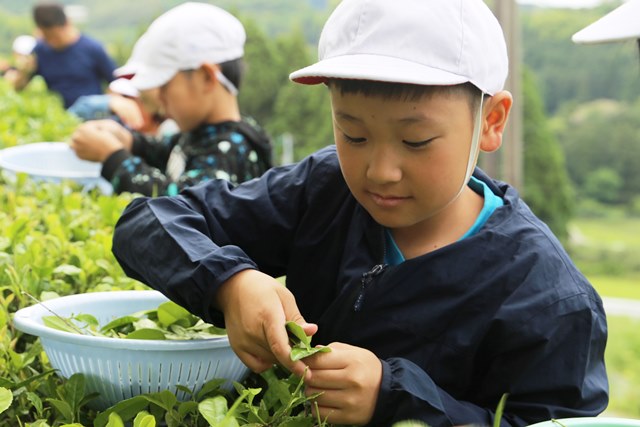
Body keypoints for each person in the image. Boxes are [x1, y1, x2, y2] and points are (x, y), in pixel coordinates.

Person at [111, 0, 609, 425]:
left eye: (416, 140)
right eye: (353, 134)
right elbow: (148, 222)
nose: (380, 171)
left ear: (490, 122)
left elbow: (544, 418)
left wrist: (392, 398)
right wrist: (230, 281)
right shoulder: (322, 189)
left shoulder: (546, 299)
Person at [70, 2, 272, 196]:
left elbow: (182, 208)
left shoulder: (231, 152)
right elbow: (163, 152)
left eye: (163, 87)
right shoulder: (200, 134)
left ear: (206, 77)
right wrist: (128, 141)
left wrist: (113, 158)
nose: (158, 102)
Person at [10, 2, 116, 109]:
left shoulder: (92, 48)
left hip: (93, 115)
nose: (52, 42)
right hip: (61, 117)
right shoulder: (40, 51)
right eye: (47, 37)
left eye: (56, 36)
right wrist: (24, 71)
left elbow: (115, 83)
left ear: (67, 23)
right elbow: (18, 87)